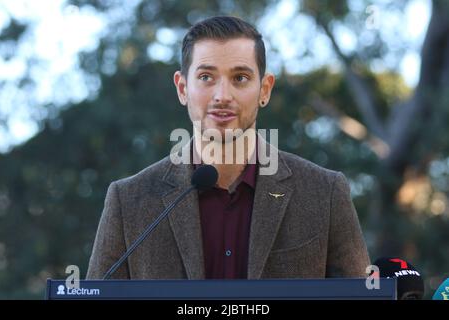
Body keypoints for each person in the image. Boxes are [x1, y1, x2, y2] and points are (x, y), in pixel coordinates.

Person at [86, 16, 370, 280]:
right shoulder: (128, 200)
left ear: (265, 89)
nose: (222, 96)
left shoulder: (326, 192)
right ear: (183, 88)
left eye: (240, 78)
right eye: (206, 77)